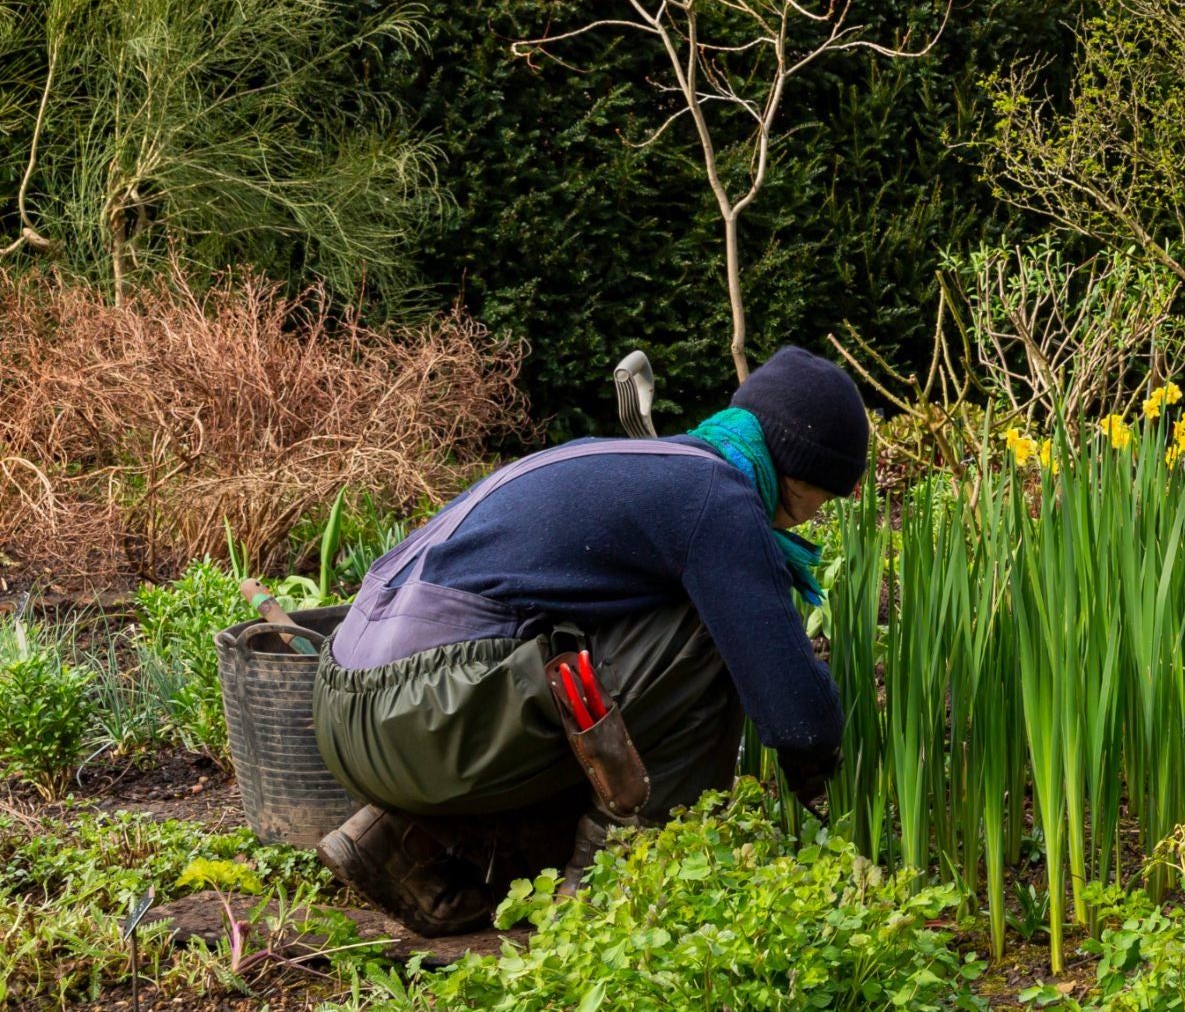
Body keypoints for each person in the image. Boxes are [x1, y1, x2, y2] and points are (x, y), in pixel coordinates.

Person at [309, 346, 864, 935]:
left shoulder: (635, 463)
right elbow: (798, 718)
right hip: (422, 717)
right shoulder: (716, 495)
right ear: (795, 473)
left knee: (598, 655)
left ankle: (407, 843)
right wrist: (823, 770)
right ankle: (612, 882)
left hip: (349, 703)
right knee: (707, 630)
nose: (804, 522)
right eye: (817, 502)